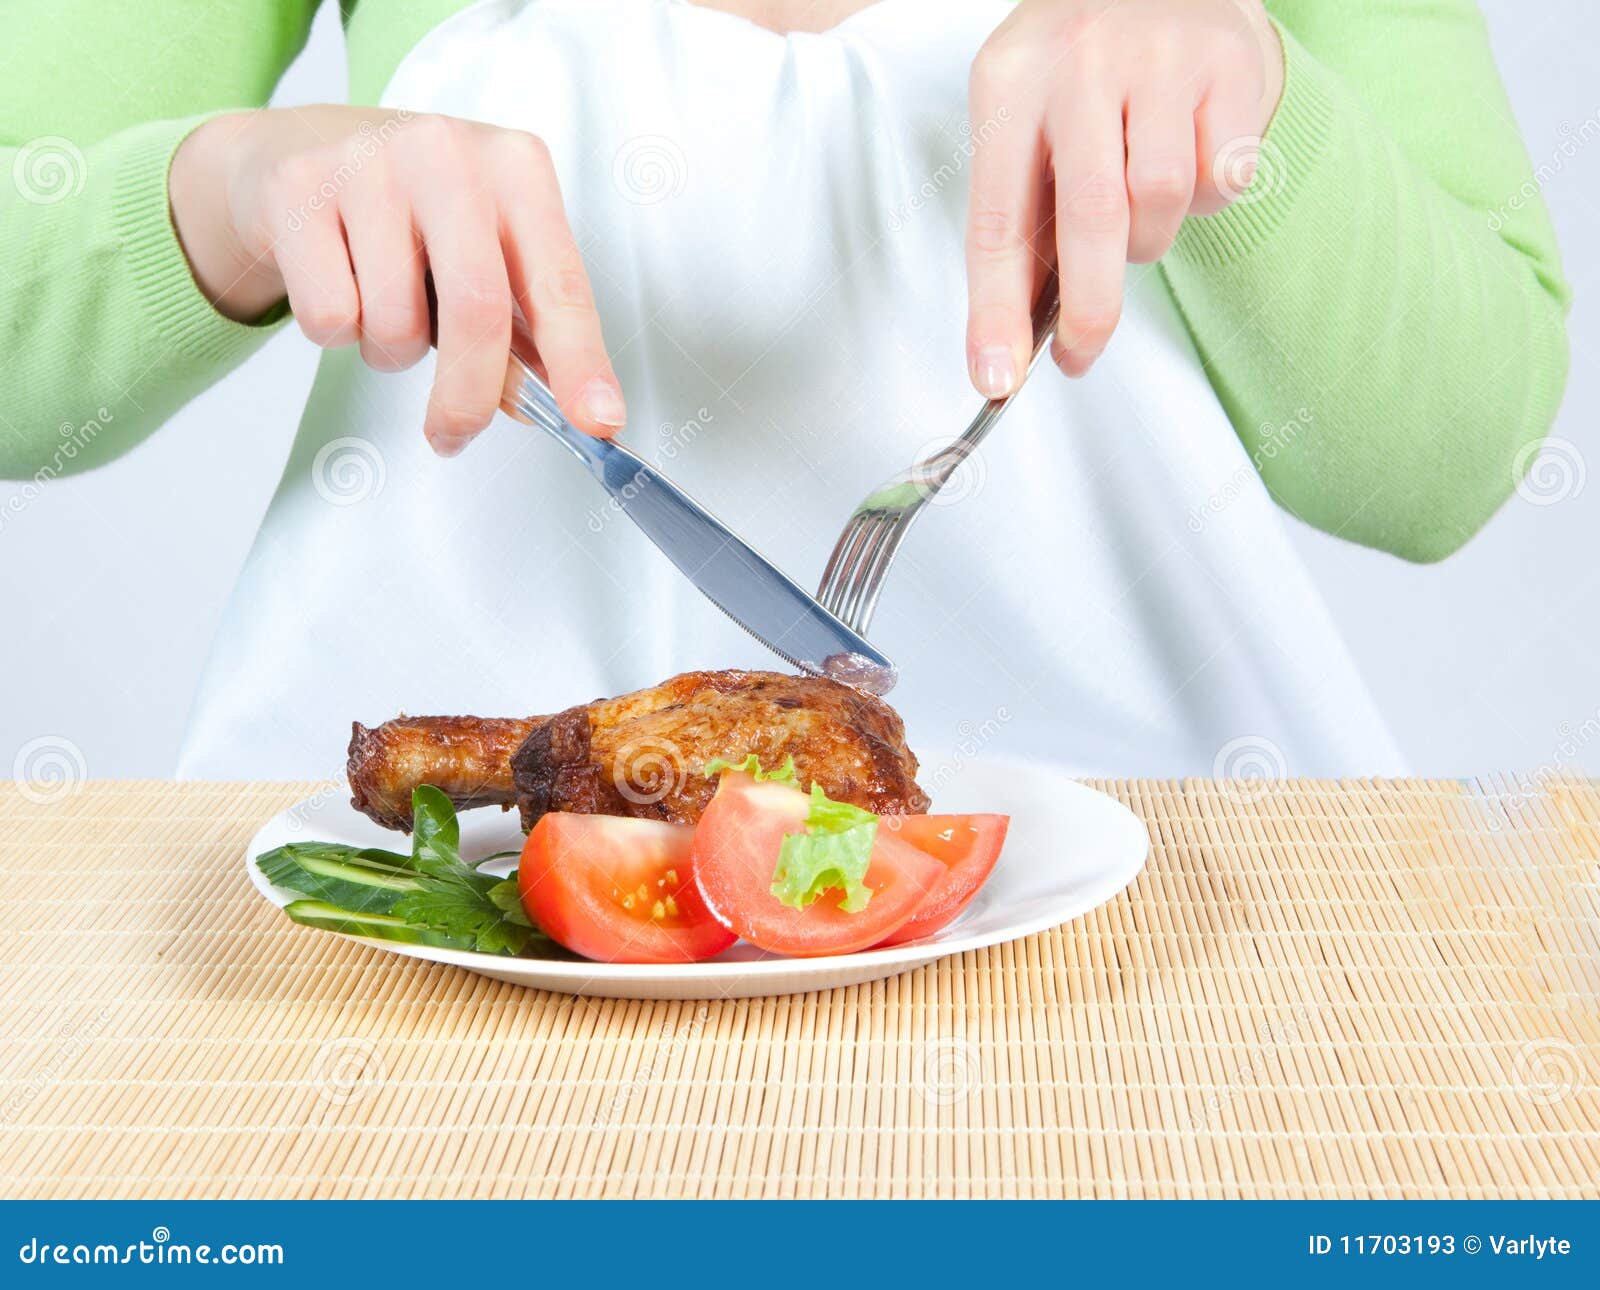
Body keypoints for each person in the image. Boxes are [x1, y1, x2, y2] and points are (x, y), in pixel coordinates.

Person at [0, 0, 1569, 784]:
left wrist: (1253, 102)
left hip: (1146, 974)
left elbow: (1455, 449)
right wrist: (228, 189)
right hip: (428, 956)